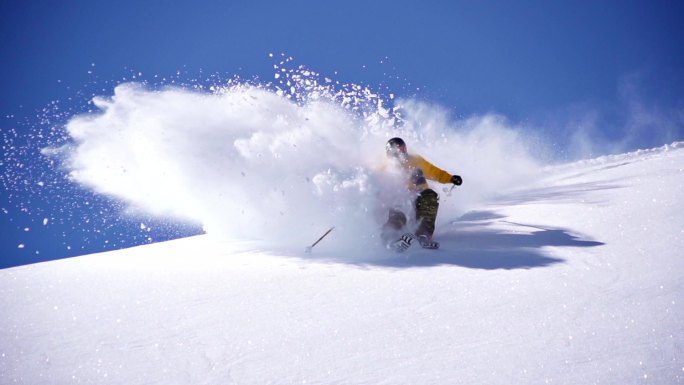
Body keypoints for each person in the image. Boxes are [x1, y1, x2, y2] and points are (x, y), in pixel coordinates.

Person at [382, 137, 462, 251]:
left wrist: (451, 178)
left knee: (430, 196)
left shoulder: (415, 161)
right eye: (397, 150)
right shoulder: (385, 168)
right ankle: (390, 238)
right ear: (390, 152)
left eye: (403, 148)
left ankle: (424, 234)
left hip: (419, 197)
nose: (401, 152)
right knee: (397, 211)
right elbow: (378, 188)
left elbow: (434, 172)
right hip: (400, 199)